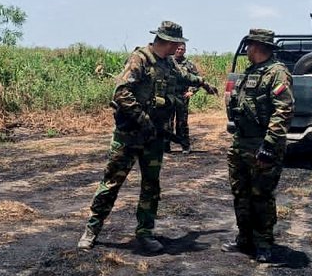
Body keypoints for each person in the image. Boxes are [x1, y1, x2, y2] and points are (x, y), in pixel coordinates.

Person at [77, 21, 218, 254]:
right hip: (129, 135)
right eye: (178, 43)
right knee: (111, 183)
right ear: (170, 42)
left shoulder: (168, 63)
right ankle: (91, 230)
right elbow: (121, 93)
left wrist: (203, 83)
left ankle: (145, 232)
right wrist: (144, 121)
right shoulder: (140, 59)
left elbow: (184, 76)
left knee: (151, 186)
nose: (180, 47)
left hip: (153, 139)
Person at [223, 29, 294, 263]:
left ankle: (264, 242)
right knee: (240, 192)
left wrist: (270, 145)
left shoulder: (277, 73)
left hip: (262, 143)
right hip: (241, 142)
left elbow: (282, 111)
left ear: (257, 46)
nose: (246, 50)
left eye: (249, 46)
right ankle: (244, 238)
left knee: (261, 195)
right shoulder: (251, 72)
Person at [168, 42, 201, 154]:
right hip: (169, 96)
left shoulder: (189, 64)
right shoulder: (168, 62)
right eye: (177, 49)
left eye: (182, 49)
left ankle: (185, 146)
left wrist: (191, 91)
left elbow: (197, 80)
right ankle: (165, 146)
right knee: (168, 122)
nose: (179, 51)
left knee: (182, 123)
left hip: (182, 96)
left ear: (185, 50)